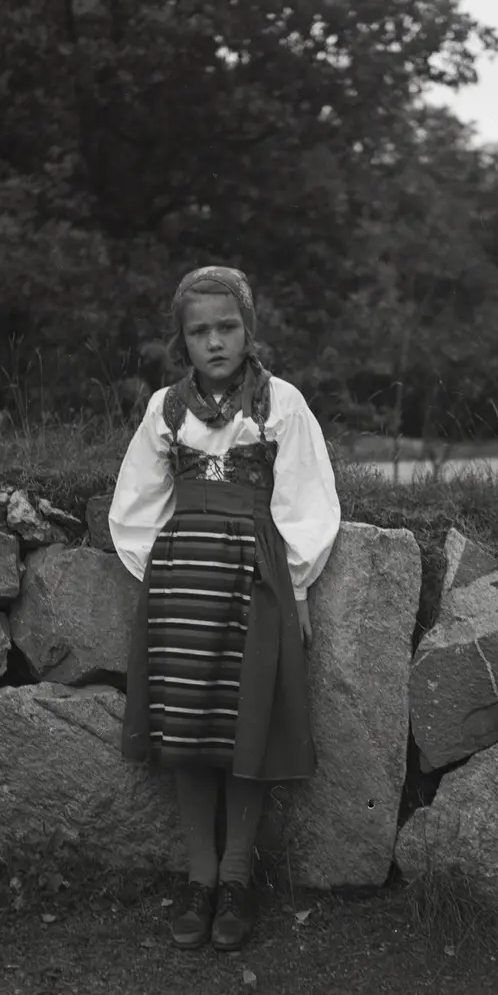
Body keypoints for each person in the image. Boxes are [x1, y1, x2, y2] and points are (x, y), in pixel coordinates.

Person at [109, 266, 340, 953]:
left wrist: (297, 585)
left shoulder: (280, 405)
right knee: (189, 724)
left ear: (249, 330)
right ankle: (199, 876)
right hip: (185, 585)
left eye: (227, 327)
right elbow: (137, 500)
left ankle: (236, 877)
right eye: (199, 331)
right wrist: (158, 575)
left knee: (245, 721)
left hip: (254, 581)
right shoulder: (166, 410)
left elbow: (305, 498)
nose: (215, 342)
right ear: (181, 340)